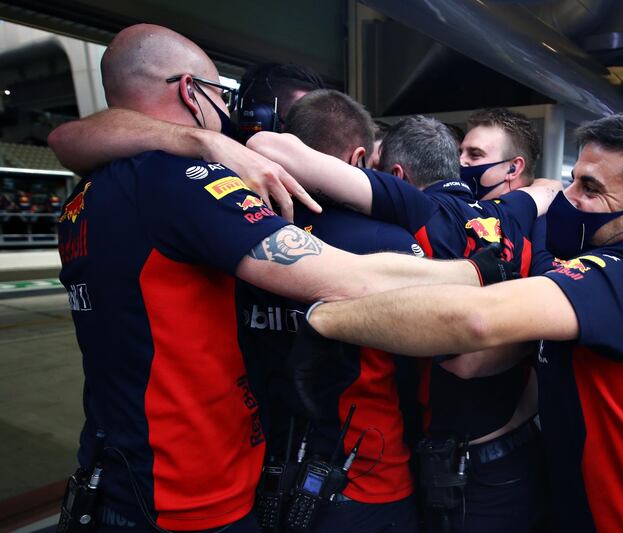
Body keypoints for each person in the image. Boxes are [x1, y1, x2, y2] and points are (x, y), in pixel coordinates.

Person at [52, 24, 506, 532]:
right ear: (188, 91)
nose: (228, 116)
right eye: (220, 98)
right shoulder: (177, 180)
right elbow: (346, 278)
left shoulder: (87, 188)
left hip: (117, 471)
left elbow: (65, 137)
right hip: (188, 493)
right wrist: (475, 271)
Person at [304, 113, 623, 532]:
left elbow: (475, 319)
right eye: (573, 180)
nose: (570, 198)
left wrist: (323, 315)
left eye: (591, 188)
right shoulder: (602, 269)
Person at [249, 115, 558, 532]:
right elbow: (547, 189)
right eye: (463, 151)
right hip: (518, 448)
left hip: (459, 465)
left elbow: (270, 148)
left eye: (476, 154)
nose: (466, 162)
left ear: (395, 174)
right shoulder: (514, 213)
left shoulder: (419, 206)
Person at [239, 88, 423, 531]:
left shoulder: (239, 231)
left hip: (258, 471)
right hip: (367, 478)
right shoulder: (392, 243)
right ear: (360, 158)